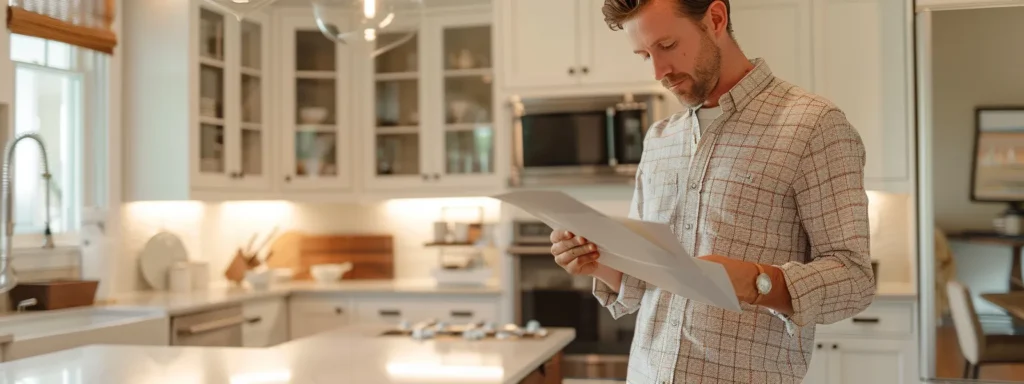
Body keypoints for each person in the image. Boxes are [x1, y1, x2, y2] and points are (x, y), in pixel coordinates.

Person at [546, 0, 877, 382]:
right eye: (644, 55)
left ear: (715, 19)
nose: (659, 72)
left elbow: (854, 282)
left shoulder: (813, 125)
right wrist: (599, 264)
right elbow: (647, 279)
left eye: (667, 46)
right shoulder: (660, 139)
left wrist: (756, 282)